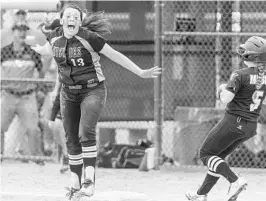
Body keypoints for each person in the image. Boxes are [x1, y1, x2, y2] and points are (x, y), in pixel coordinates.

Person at [31, 4, 161, 200]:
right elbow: (49, 50)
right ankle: (75, 184)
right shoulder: (55, 36)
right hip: (68, 93)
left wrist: (141, 72)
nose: (72, 19)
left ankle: (89, 182)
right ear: (62, 20)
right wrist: (40, 49)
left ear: (80, 21)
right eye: (69, 16)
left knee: (86, 131)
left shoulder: (89, 38)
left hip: (92, 90)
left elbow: (115, 55)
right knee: (71, 138)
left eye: (76, 16)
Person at [185, 36, 266, 201]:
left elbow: (226, 99)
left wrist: (222, 88)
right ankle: (201, 195)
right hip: (251, 126)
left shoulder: (239, 74)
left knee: (206, 153)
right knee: (217, 158)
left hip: (233, 121)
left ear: (251, 56)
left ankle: (236, 181)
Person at [1, 23, 45, 164]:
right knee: (0, 127)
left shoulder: (32, 52)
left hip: (27, 96)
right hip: (8, 95)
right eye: (19, 30)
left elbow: (41, 71)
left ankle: (38, 159)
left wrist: (39, 88)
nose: (22, 33)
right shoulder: (4, 52)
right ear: (13, 32)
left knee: (33, 130)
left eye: (24, 30)